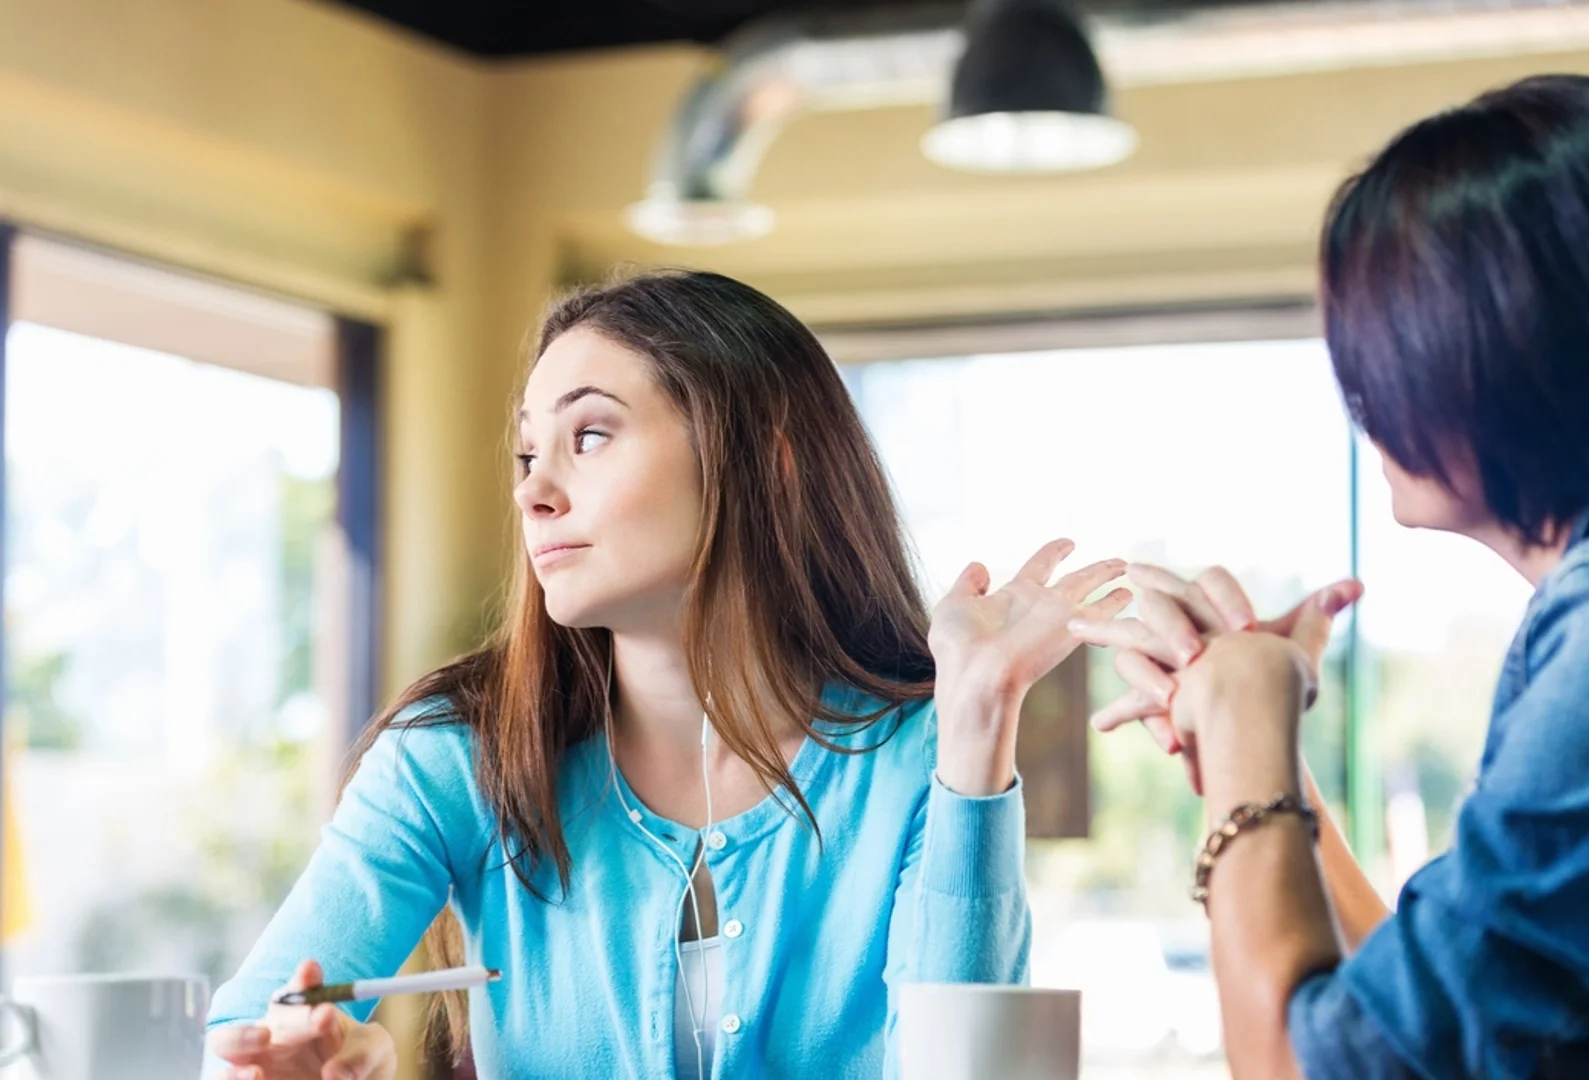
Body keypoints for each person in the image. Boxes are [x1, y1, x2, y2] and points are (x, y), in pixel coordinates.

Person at [1073, 74, 1589, 1079]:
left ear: (1504, 351)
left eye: (1381, 351)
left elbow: (1322, 1069)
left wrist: (1247, 715)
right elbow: (1428, 1014)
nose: (1364, 400)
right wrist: (1267, 766)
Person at [206, 269, 1129, 1080]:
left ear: (765, 455)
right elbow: (247, 1030)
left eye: (591, 436)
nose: (534, 490)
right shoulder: (455, 756)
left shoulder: (921, 760)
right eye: (528, 453)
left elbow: (963, 1069)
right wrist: (290, 1060)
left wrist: (976, 723)